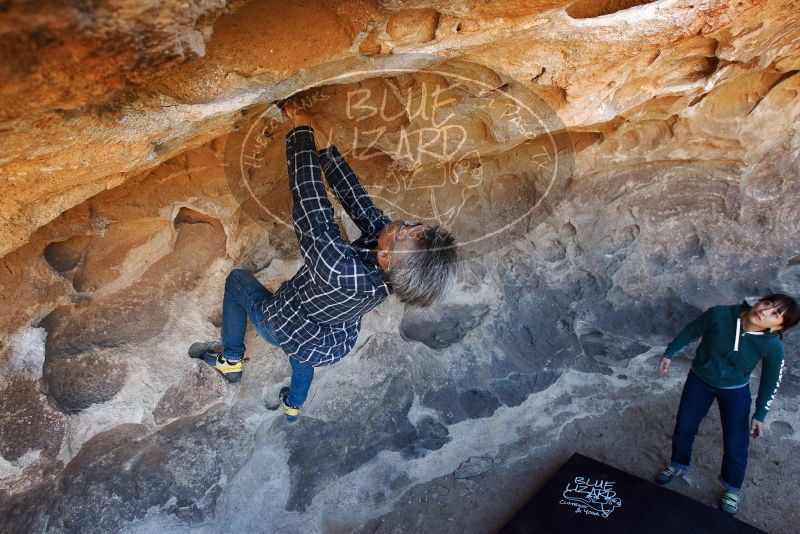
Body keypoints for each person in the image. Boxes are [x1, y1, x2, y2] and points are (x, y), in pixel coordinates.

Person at [189, 100, 458, 421]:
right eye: (416, 225)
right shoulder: (393, 265)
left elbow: (310, 200)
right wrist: (325, 147)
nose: (405, 222)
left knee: (236, 281)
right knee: (302, 361)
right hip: (329, 342)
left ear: (387, 257)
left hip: (283, 325)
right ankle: (293, 405)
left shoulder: (338, 269)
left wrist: (300, 129)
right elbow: (356, 199)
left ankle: (232, 361)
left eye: (408, 229)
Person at [655, 294, 800, 514]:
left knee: (736, 442)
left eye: (775, 314)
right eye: (768, 304)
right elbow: (692, 330)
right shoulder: (720, 314)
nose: (765, 311)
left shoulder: (773, 346)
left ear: (779, 327)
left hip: (735, 389)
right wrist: (670, 352)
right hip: (699, 379)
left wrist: (760, 413)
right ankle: (678, 464)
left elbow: (771, 381)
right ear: (759, 301)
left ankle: (732, 489)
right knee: (685, 425)